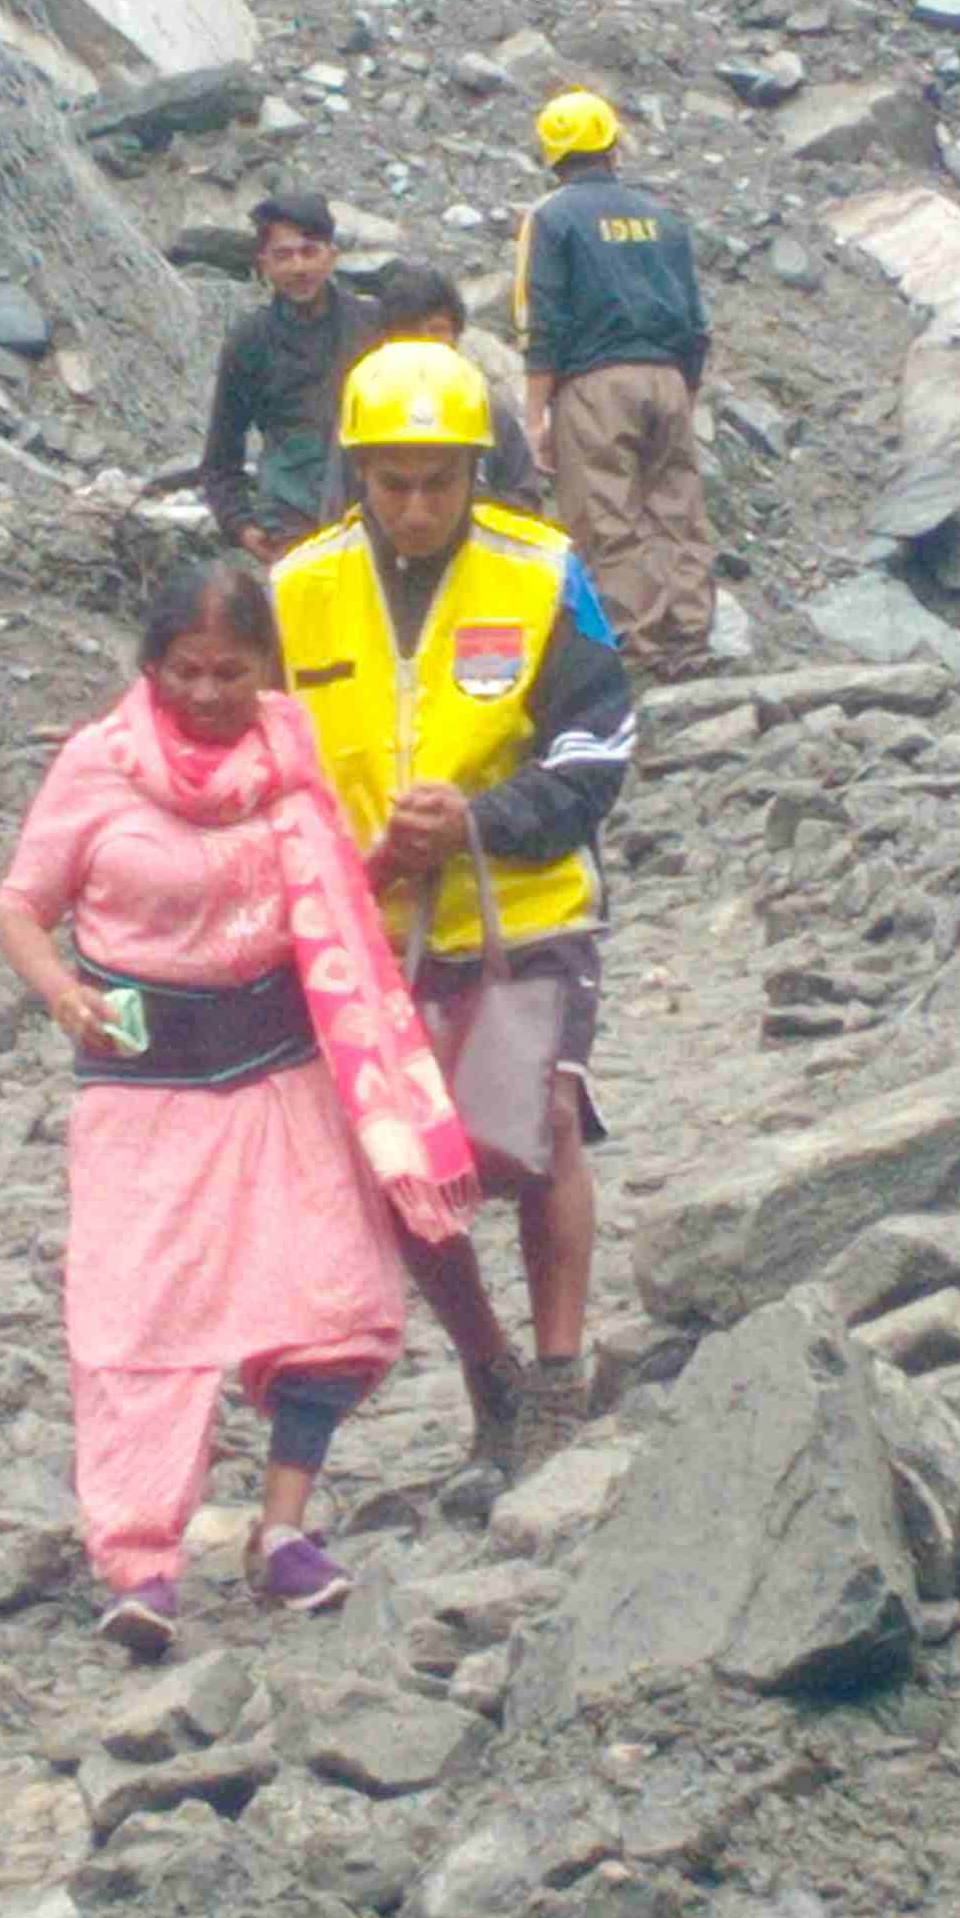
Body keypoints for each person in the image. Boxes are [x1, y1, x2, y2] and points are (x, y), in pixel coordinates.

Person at [0, 556, 477, 1657]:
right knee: (138, 1321)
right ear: (150, 666)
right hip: (142, 1074)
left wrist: (388, 858)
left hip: (278, 1064)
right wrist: (63, 991)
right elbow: (21, 904)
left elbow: (322, 898)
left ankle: (282, 1529)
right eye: (185, 670)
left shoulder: (292, 759)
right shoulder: (95, 767)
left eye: (230, 670)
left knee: (332, 1294)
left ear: (266, 668)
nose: (207, 693)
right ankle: (140, 1562)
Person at [271, 341, 635, 1496]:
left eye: (441, 481)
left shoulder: (542, 572)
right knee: (406, 1171)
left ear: (477, 471)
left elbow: (598, 743)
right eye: (395, 482)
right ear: (358, 472)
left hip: (526, 905)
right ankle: (491, 1380)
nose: (418, 507)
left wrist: (480, 817)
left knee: (539, 1133)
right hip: (362, 932)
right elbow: (259, 758)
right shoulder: (297, 588)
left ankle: (562, 1374)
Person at [514, 88, 718, 678]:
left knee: (608, 516)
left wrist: (536, 415)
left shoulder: (551, 218)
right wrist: (687, 390)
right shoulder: (663, 218)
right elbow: (694, 319)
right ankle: (690, 638)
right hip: (669, 379)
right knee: (677, 510)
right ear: (611, 144)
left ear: (552, 154)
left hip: (595, 385)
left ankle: (640, 646)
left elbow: (541, 317)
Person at [199, 192, 385, 562]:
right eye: (283, 255)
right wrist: (243, 527)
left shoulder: (373, 326)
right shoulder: (250, 340)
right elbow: (221, 457)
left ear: (332, 255)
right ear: (263, 264)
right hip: (290, 527)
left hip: (374, 522)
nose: (299, 267)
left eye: (310, 251)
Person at [358, 260, 547, 514]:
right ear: (387, 338)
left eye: (437, 330)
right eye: (410, 331)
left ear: (457, 335)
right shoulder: (366, 408)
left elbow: (526, 501)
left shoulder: (485, 408)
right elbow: (342, 508)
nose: (426, 342)